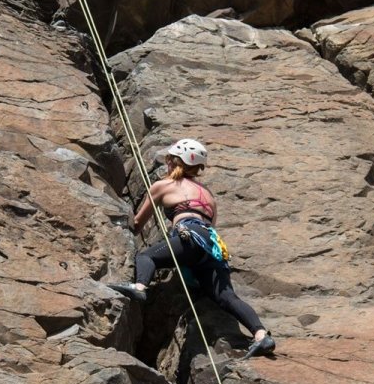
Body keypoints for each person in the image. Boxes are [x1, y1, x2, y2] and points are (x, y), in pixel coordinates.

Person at [108, 139, 275, 359]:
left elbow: (138, 224)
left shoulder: (164, 185)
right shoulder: (208, 195)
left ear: (171, 161)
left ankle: (140, 286)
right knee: (226, 297)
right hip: (212, 243)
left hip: (189, 235)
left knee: (147, 257)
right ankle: (262, 335)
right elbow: (210, 224)